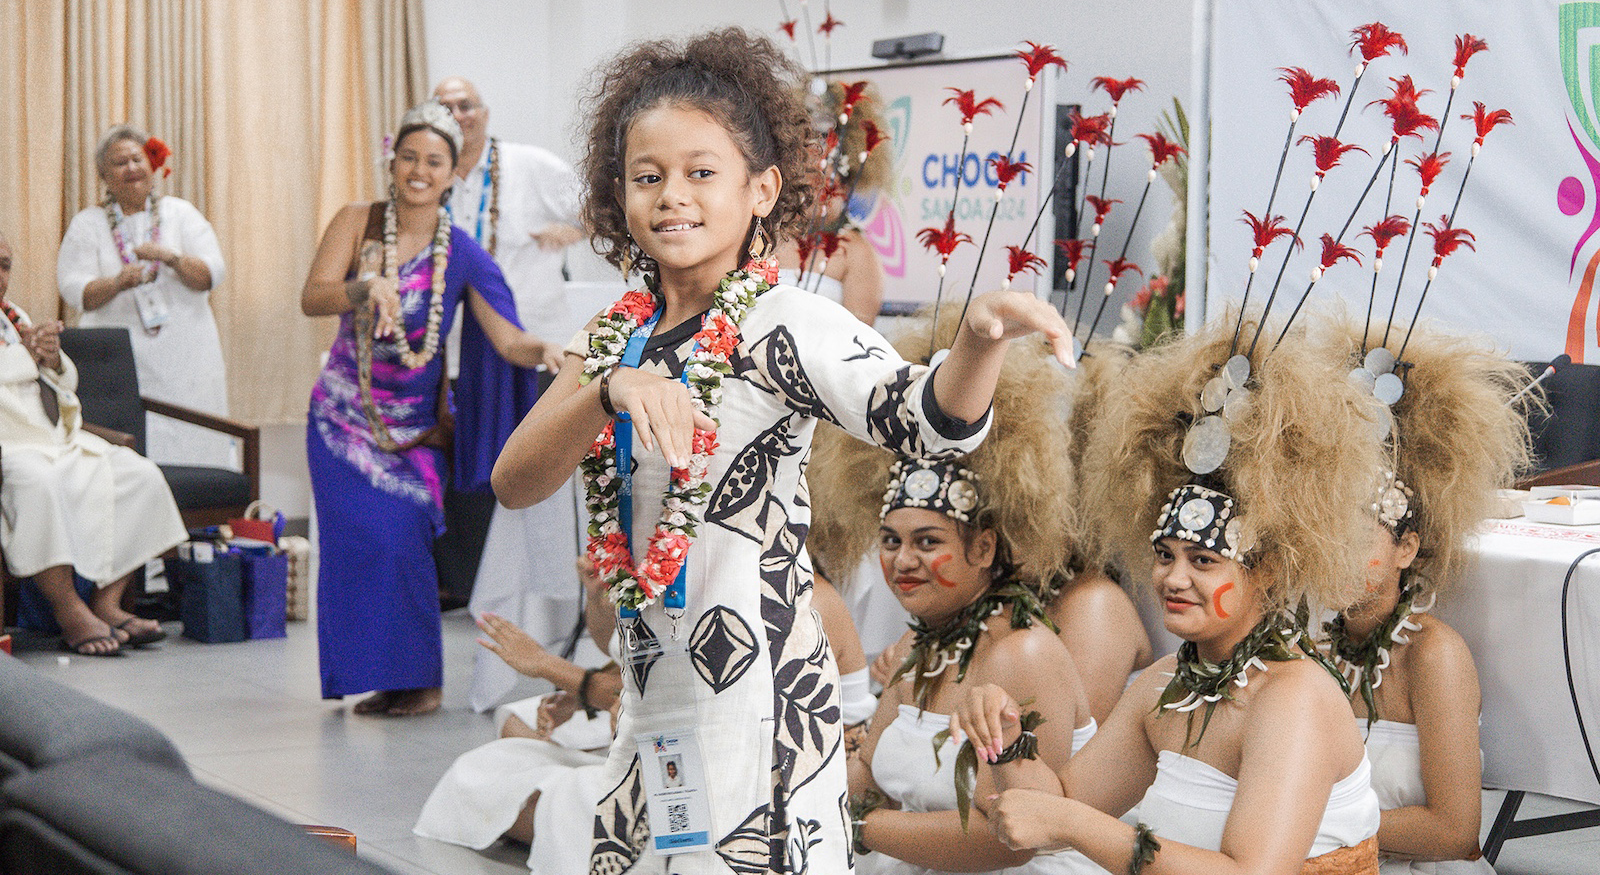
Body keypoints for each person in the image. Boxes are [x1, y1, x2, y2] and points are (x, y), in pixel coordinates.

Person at [490, 27, 1072, 873]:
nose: (672, 196)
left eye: (701, 172)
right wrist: (609, 388)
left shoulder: (782, 325)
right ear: (621, 192)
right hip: (651, 690)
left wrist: (980, 341)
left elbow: (924, 418)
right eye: (647, 177)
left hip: (757, 703)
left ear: (761, 189)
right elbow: (514, 479)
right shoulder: (613, 334)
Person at [956, 321, 1388, 874]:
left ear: (1272, 571)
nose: (1173, 578)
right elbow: (1053, 809)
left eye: (1203, 561)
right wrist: (1008, 740)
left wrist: (1076, 826)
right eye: (1165, 555)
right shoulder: (1168, 684)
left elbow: (1250, 873)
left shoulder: (1293, 697)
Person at [809, 311, 1100, 874]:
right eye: (890, 540)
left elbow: (1009, 835)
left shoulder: (1024, 652)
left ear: (984, 548)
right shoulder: (922, 647)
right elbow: (866, 777)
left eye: (927, 541)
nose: (903, 561)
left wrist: (856, 826)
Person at [301, 100, 548, 717]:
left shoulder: (460, 251)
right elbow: (313, 296)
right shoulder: (356, 221)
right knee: (355, 547)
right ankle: (375, 676)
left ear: (450, 172)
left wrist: (553, 349)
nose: (419, 169)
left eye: (433, 161)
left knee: (402, 542)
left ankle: (420, 682)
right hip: (340, 419)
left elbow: (508, 337)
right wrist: (365, 286)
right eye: (409, 156)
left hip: (414, 435)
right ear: (393, 160)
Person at [413, 556, 876, 873]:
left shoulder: (797, 595)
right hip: (664, 752)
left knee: (573, 793)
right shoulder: (673, 563)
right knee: (490, 758)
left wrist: (553, 668)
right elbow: (622, 654)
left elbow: (675, 699)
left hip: (742, 781)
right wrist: (599, 595)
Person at [1316, 322, 1531, 873]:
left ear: (1406, 548)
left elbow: (1455, 831)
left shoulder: (1434, 656)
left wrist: (1305, 822)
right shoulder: (1314, 648)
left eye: (1357, 535)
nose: (1335, 553)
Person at [429, 75, 590, 710]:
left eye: (465, 106)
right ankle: (485, 595)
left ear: (484, 112)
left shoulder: (528, 165)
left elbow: (600, 205)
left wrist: (569, 235)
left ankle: (545, 610)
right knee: (486, 475)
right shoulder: (440, 177)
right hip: (469, 346)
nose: (457, 115)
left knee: (538, 477)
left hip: (538, 344)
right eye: (445, 107)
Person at [1, 231, 184, 655]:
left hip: (57, 436)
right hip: (10, 446)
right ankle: (70, 612)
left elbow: (65, 384)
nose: (0, 275)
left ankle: (108, 603)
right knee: (38, 484)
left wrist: (52, 357)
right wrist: (24, 356)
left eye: (5, 264)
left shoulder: (13, 316)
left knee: (140, 475)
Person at [57, 125, 230, 467]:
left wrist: (172, 258)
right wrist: (118, 282)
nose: (132, 168)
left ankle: (198, 514)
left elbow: (211, 274)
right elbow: (77, 292)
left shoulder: (180, 213)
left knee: (193, 445)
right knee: (126, 462)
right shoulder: (87, 224)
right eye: (120, 162)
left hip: (185, 359)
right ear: (104, 175)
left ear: (153, 166)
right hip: (120, 362)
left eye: (138, 159)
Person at [775, 81, 889, 325]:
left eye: (832, 180)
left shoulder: (856, 252)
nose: (820, 189)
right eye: (807, 173)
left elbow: (857, 343)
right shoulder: (761, 238)